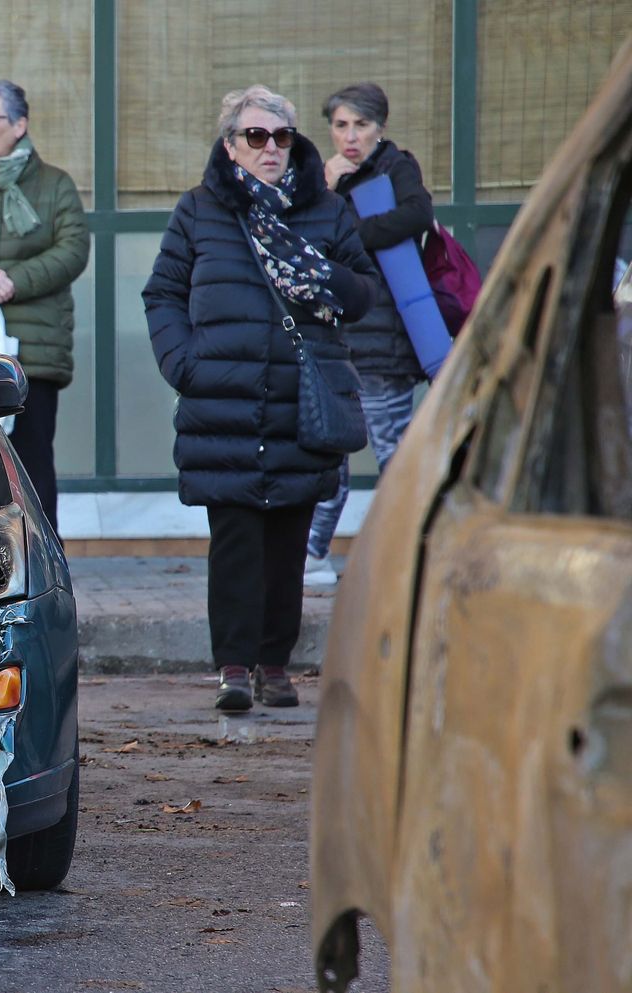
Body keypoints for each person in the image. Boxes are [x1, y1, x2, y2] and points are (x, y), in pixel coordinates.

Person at [141, 85, 376, 711]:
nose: (269, 148)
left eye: (280, 137)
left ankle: (276, 665)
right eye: (255, 136)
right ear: (231, 145)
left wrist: (322, 274)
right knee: (236, 539)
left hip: (301, 402)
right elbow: (161, 293)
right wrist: (184, 364)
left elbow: (362, 292)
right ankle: (236, 668)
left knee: (287, 539)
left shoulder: (325, 212)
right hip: (224, 400)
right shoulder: (199, 210)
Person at [303, 83, 435, 587]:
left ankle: (410, 558)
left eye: (360, 125)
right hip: (338, 339)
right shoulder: (323, 177)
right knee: (330, 452)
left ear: (380, 126)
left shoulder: (395, 166)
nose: (350, 136)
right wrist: (328, 190)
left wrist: (352, 231)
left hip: (386, 342)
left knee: (393, 454)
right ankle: (313, 555)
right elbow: (308, 241)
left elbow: (416, 214)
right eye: (340, 125)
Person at [0, 79, 90, 534]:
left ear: (20, 124)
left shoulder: (54, 185)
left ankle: (42, 561)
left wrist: (10, 280)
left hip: (33, 352)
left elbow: (74, 249)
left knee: (33, 462)